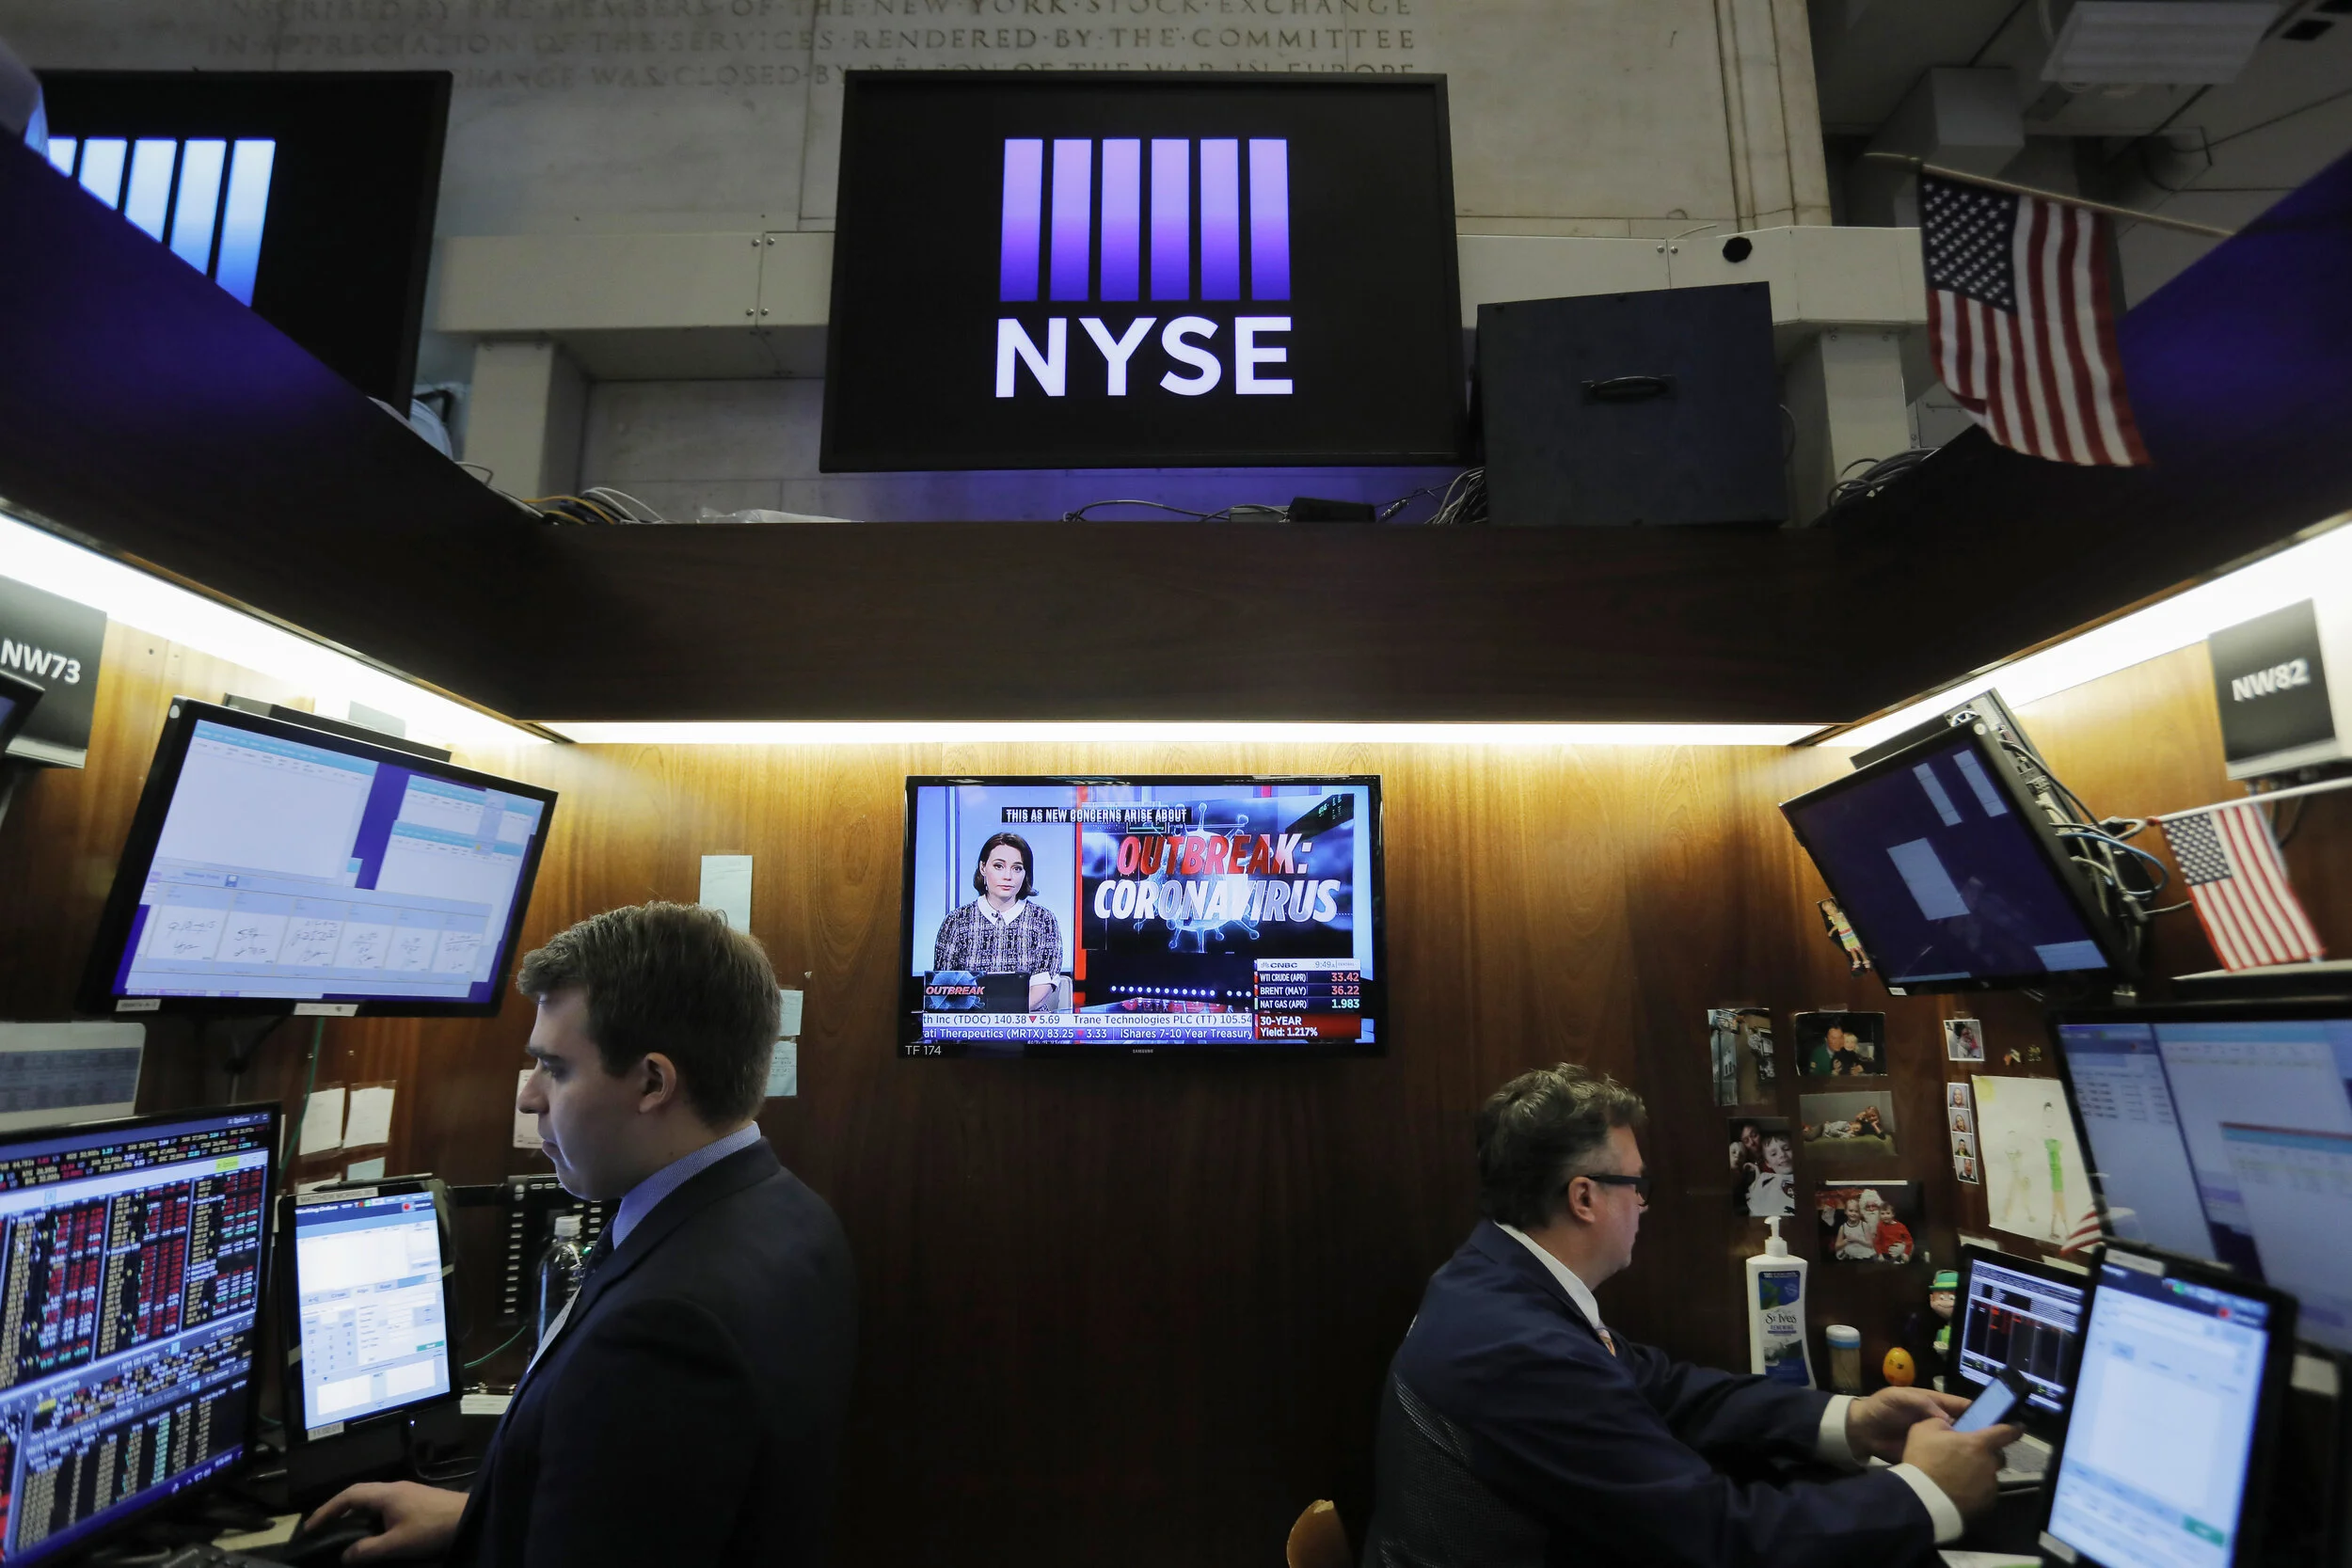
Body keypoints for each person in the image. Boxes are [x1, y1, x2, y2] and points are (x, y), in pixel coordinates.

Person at [307, 902, 858, 1567]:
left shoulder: (662, 1328)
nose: (529, 1096)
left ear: (652, 1081)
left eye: (556, 1067)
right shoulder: (790, 1214)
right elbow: (660, 1512)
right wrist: (482, 1511)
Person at [1362, 1064, 2016, 1567]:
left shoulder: (1490, 1277)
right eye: (1637, 1185)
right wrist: (1924, 1491)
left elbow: (1663, 1386)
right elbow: (1719, 1539)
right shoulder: (1519, 1344)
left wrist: (1851, 1418)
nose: (1644, 1205)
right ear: (1585, 1197)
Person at [930, 831, 1065, 1011]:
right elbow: (944, 991)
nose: (1008, 876)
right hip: (970, 1030)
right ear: (983, 868)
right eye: (999, 866)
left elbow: (1041, 989)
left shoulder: (1043, 921)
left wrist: (1001, 1021)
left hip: (1028, 1030)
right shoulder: (956, 922)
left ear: (1025, 873)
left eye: (1017, 868)